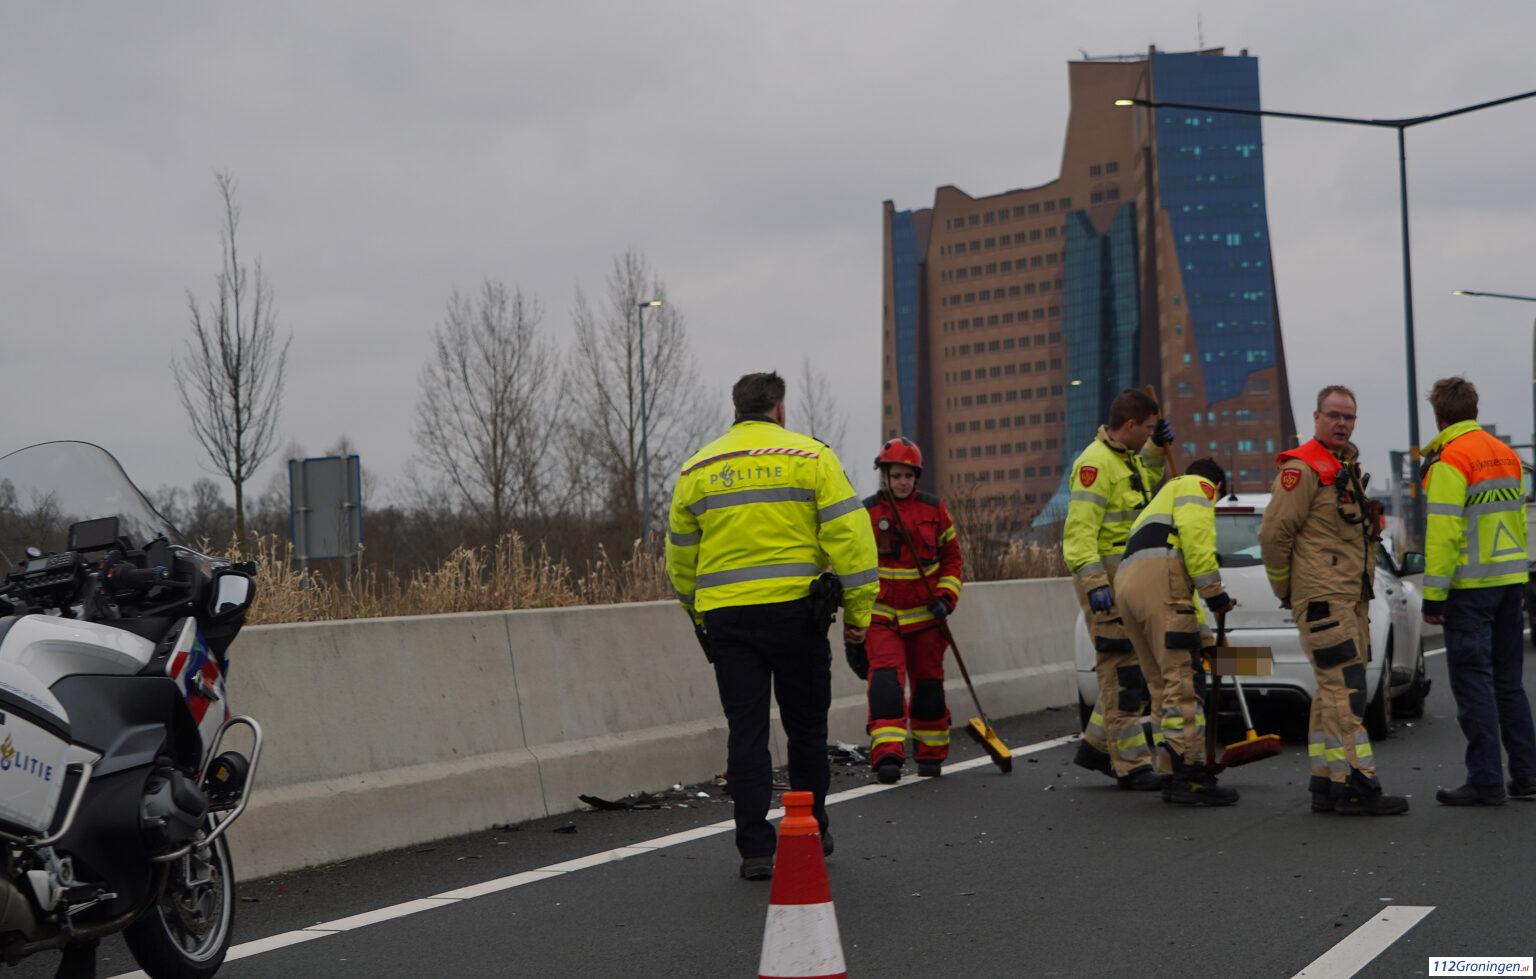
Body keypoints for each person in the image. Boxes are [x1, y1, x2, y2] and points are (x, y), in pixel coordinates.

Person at [665, 371, 879, 880]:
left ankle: (755, 849)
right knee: (806, 728)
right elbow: (852, 540)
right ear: (780, 410)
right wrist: (859, 615)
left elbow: (679, 559)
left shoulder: (698, 468)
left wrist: (697, 614)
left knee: (747, 731)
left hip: (728, 621)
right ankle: (809, 829)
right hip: (795, 617)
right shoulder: (812, 458)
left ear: (735, 409)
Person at [1258, 385, 1408, 815]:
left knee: (1330, 694)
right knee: (1346, 692)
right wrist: (1285, 587)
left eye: (1349, 417)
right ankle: (1358, 784)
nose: (1342, 423)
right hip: (1324, 598)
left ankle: (1326, 782)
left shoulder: (1344, 469)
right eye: (1334, 416)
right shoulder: (1302, 469)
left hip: (1349, 598)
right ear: (1317, 417)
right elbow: (1273, 534)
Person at [1419, 376, 1536, 806]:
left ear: (1438, 415)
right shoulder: (1505, 455)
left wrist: (1434, 595)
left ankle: (1485, 779)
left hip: (1470, 589)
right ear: (1475, 410)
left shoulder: (1452, 459)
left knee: (1473, 683)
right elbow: (1519, 520)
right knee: (1509, 683)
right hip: (1509, 582)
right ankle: (1527, 776)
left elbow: (1444, 532)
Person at [1063, 388, 1173, 791]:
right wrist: (1094, 585)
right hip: (1106, 585)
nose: (1149, 434)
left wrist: (1158, 449)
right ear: (1129, 425)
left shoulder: (1123, 458)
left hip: (1129, 582)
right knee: (1122, 672)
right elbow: (1078, 535)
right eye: (1146, 428)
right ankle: (1131, 764)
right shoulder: (1094, 464)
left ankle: (1095, 746)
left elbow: (1143, 480)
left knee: (1136, 669)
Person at [1115, 458, 1238, 805]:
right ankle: (1191, 775)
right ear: (1216, 485)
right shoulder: (1198, 487)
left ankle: (1169, 771)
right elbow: (1197, 544)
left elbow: (1180, 597)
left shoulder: (1162, 498)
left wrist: (1205, 638)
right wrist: (1216, 593)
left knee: (1161, 684)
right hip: (1161, 582)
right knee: (1184, 681)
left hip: (1129, 587)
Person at [843, 437, 964, 783]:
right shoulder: (867, 514)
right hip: (882, 619)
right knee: (885, 685)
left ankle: (931, 753)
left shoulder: (934, 510)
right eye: (896, 475)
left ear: (916, 477)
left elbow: (953, 560)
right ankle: (888, 756)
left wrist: (946, 597)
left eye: (908, 476)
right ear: (884, 475)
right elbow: (852, 563)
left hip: (927, 620)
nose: (902, 482)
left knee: (928, 689)